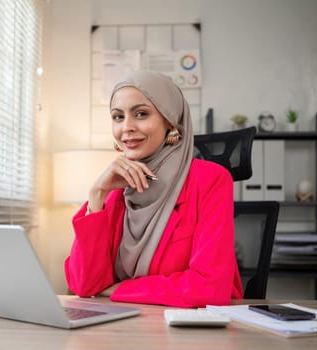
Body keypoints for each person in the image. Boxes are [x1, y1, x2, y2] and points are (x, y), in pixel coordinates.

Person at [64, 70, 243, 307]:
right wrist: (97, 195)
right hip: (126, 329)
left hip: (195, 332)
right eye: (118, 117)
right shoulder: (117, 188)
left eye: (141, 114)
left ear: (170, 121)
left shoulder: (210, 180)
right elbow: (84, 285)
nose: (126, 127)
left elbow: (208, 288)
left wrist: (119, 289)